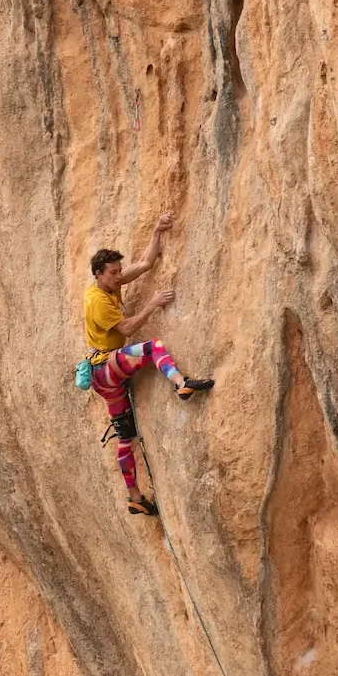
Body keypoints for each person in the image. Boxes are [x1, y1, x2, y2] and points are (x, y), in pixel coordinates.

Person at [83, 214, 214, 515]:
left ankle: (134, 497)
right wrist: (153, 303)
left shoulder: (108, 286)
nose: (118, 277)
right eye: (113, 273)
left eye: (118, 271)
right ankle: (181, 383)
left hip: (103, 376)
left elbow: (143, 264)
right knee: (153, 347)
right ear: (98, 274)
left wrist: (156, 232)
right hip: (106, 367)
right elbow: (128, 329)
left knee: (125, 436)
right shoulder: (98, 301)